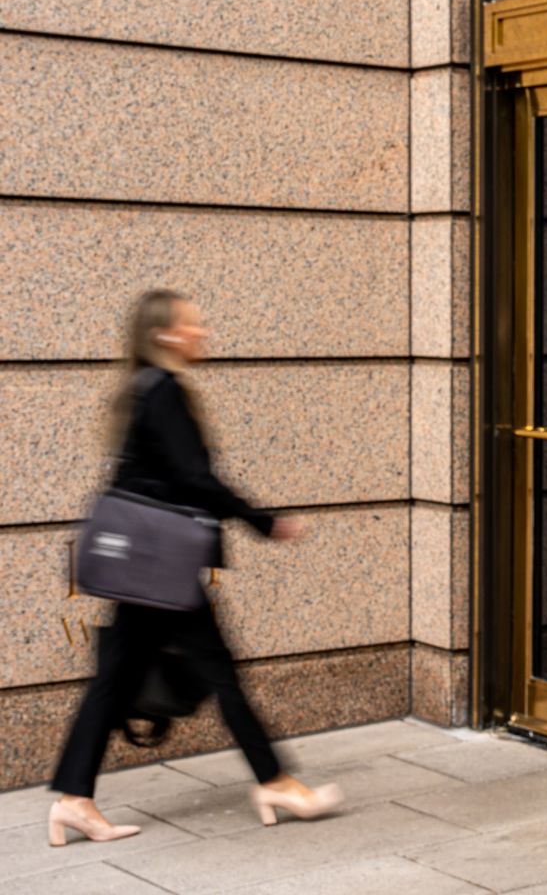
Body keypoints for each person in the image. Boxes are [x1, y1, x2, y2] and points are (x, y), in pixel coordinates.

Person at [47, 290, 343, 846]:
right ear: (164, 335)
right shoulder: (163, 391)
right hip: (161, 565)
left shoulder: (142, 390)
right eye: (192, 325)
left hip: (147, 565)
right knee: (217, 671)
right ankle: (275, 781)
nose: (202, 332)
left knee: (115, 679)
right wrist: (261, 520)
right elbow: (193, 479)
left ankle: (73, 799)